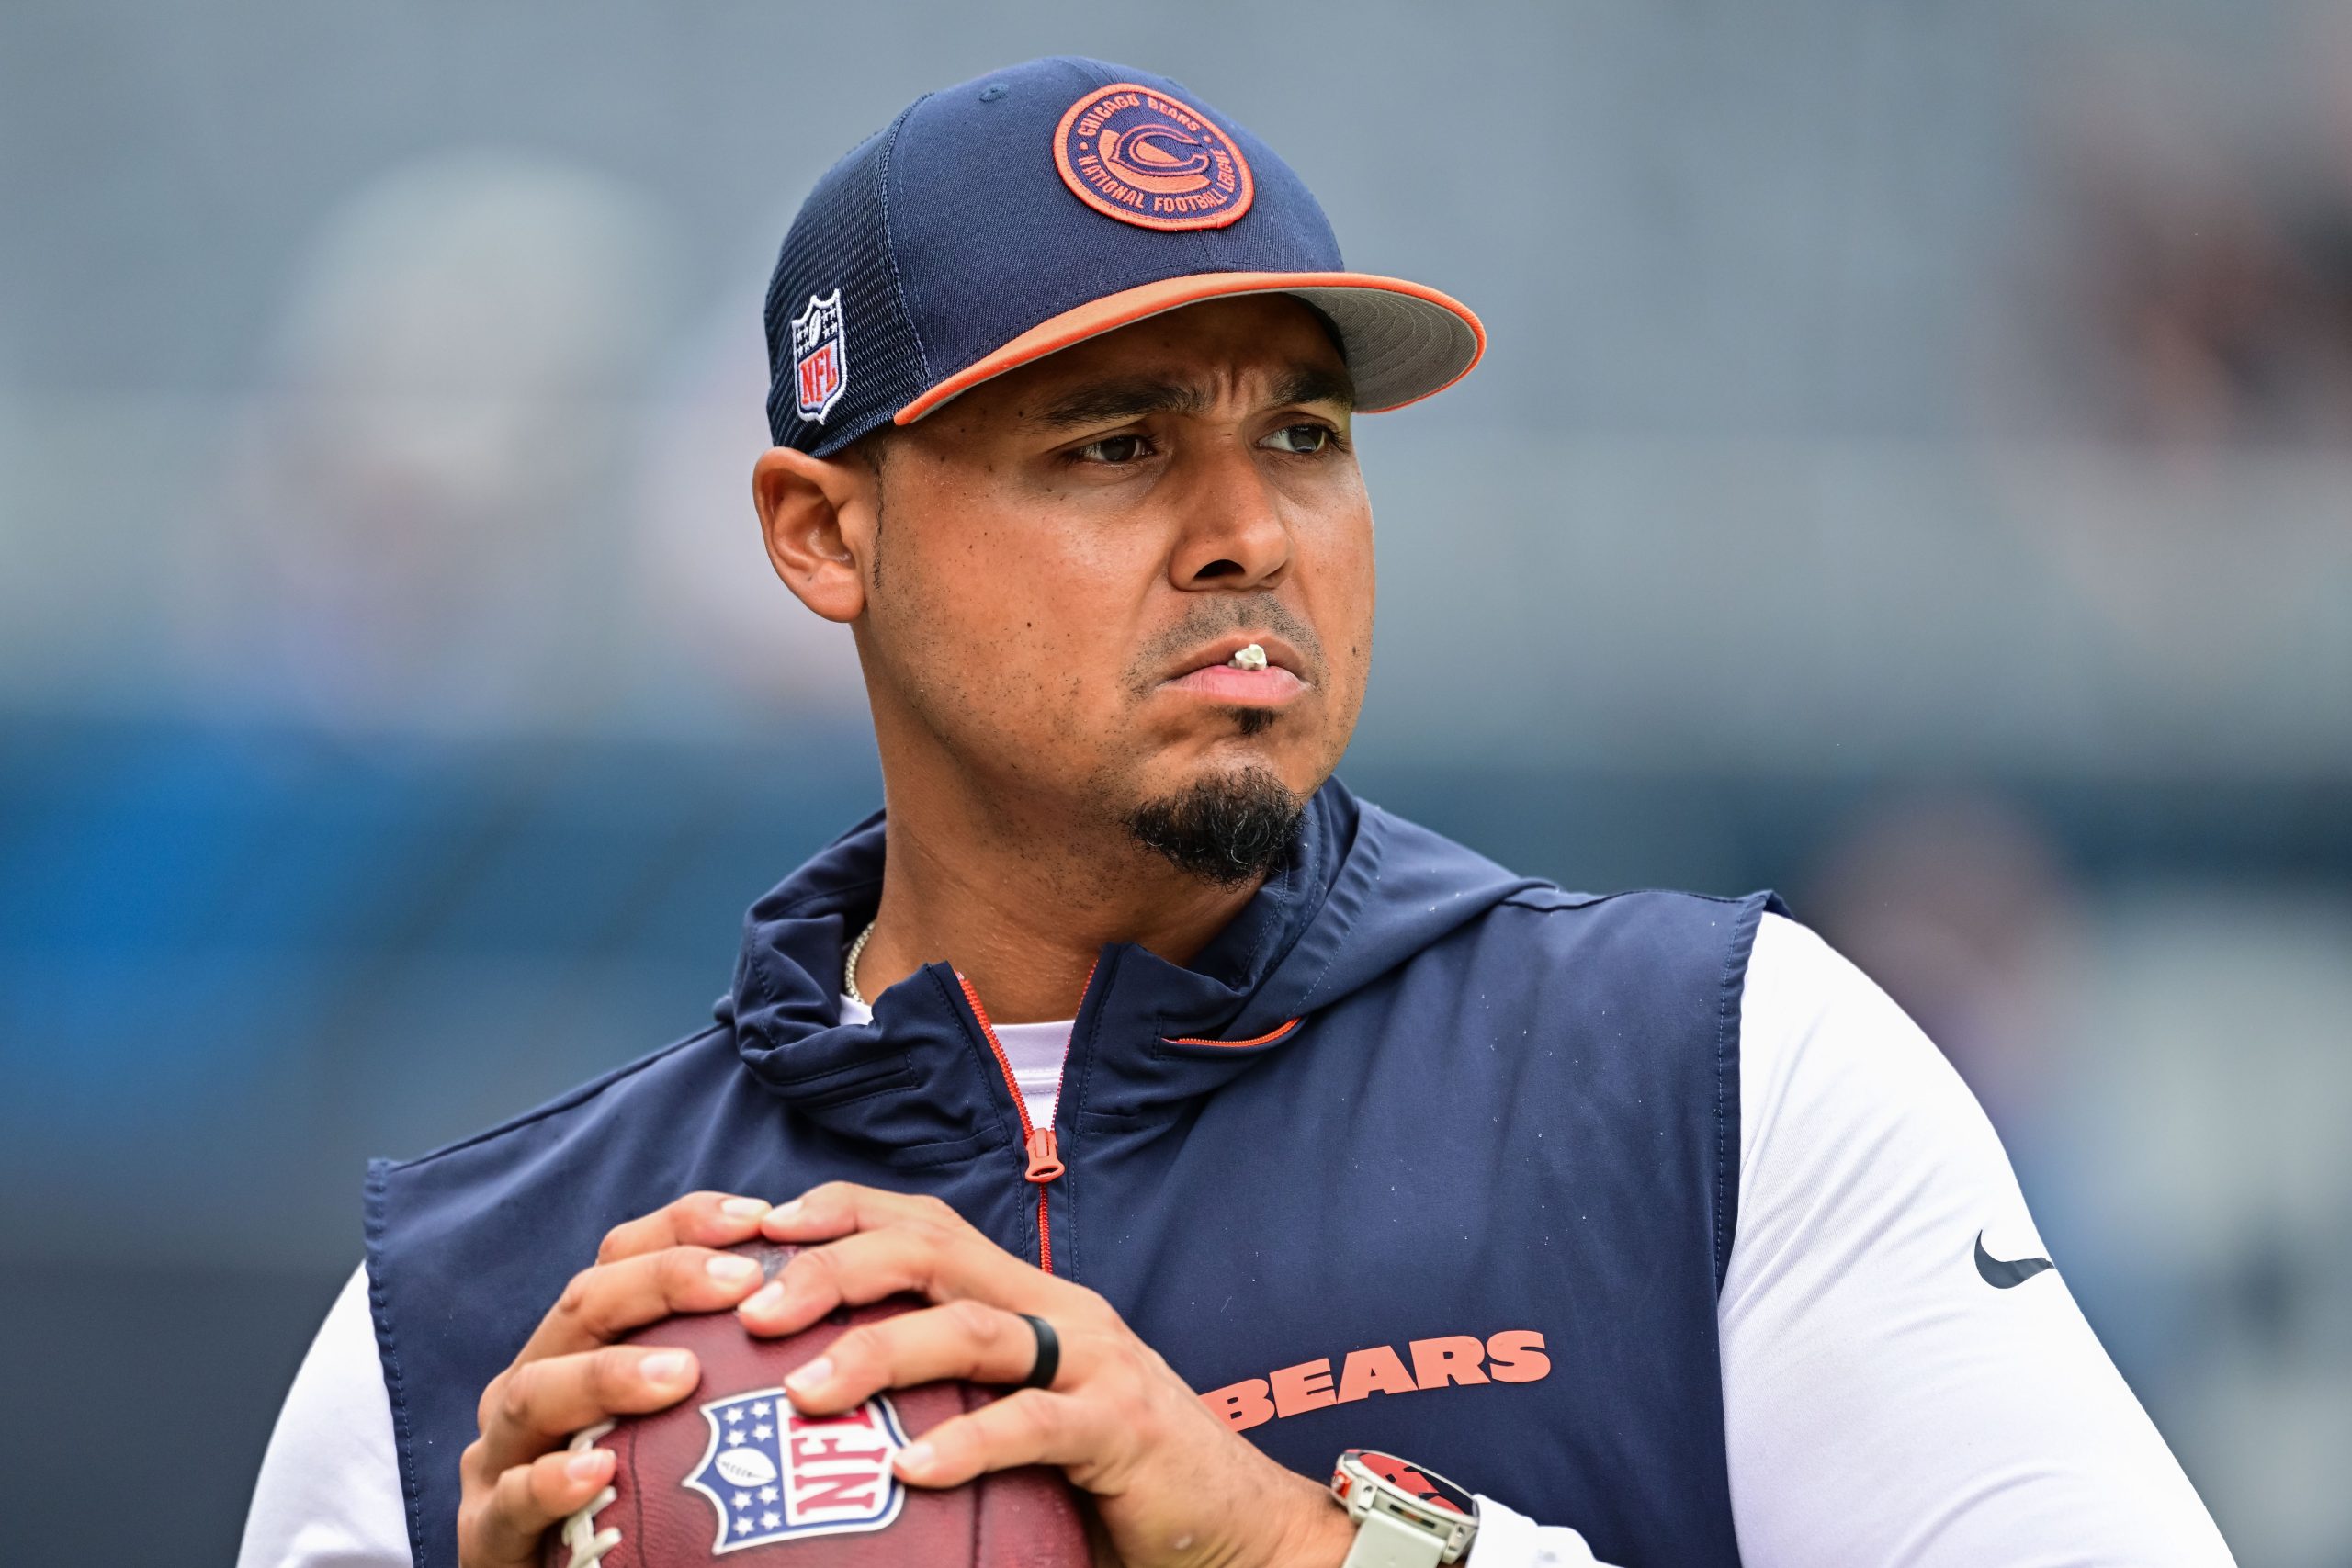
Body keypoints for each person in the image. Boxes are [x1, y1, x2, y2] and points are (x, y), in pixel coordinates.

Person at [238, 56, 2235, 1568]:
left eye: (1302, 432)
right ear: (822, 532)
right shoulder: (481, 1311)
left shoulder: (1714, 1075)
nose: (1248, 533)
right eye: (1114, 446)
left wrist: (1300, 1545)